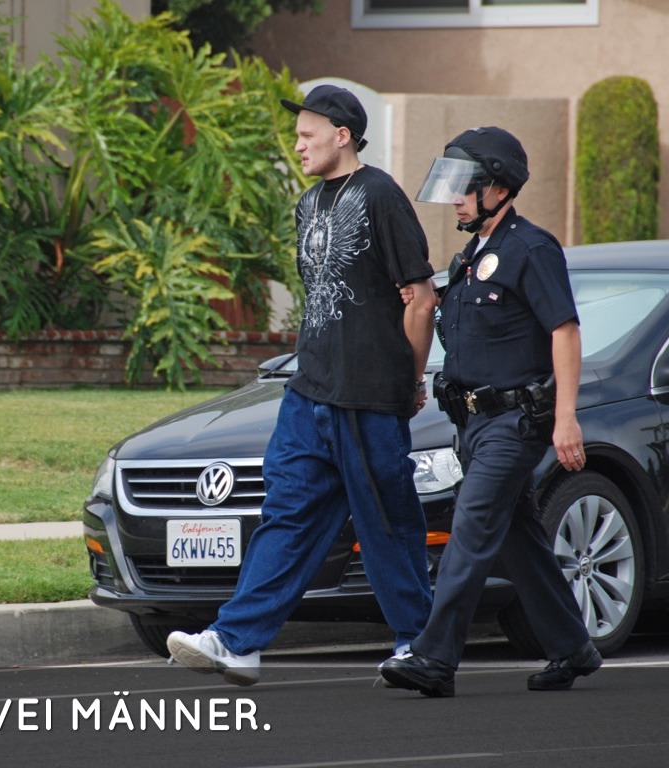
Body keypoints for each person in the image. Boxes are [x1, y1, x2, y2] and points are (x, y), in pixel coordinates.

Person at [166, 84, 438, 686]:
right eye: (296, 136)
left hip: (368, 394)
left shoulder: (381, 195)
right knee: (286, 515)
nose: (298, 146)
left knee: (386, 522)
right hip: (308, 390)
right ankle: (236, 641)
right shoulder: (307, 203)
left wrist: (410, 379)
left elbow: (421, 299)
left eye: (307, 135)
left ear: (342, 136)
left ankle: (421, 647)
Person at [379, 126, 601, 697]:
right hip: (472, 424)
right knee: (516, 536)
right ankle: (572, 646)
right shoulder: (470, 257)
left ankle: (434, 657)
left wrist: (567, 417)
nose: (455, 199)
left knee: (471, 527)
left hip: (515, 422)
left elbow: (565, 331)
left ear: (498, 188)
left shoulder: (531, 249)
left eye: (465, 186)